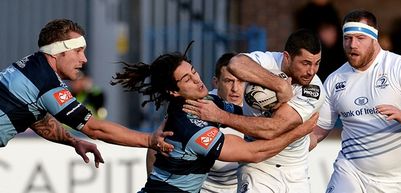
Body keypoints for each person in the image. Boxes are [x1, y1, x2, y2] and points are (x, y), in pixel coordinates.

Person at [111, 46, 318, 193]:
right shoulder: (189, 125)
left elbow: (242, 116)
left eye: (194, 72)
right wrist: (298, 130)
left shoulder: (207, 101)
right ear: (173, 91)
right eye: (187, 80)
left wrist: (284, 112)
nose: (197, 80)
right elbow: (254, 153)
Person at [0, 18, 174, 165]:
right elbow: (95, 129)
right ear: (57, 51)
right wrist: (150, 140)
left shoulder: (32, 64)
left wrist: (73, 141)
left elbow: (38, 120)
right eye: (78, 51)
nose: (84, 59)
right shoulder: (47, 83)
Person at [309, 9, 401, 193]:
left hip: (393, 182)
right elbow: (319, 130)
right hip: (350, 171)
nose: (352, 45)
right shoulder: (335, 80)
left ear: (374, 38)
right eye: (347, 38)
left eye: (360, 38)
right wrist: (286, 146)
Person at [184, 29, 324, 192]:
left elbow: (272, 129)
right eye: (305, 63)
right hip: (259, 169)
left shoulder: (314, 89)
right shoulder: (269, 60)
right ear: (286, 57)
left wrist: (220, 116)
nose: (312, 71)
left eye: (317, 63)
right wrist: (279, 85)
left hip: (296, 171)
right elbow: (235, 64)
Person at [201, 52, 246, 193]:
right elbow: (157, 146)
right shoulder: (201, 106)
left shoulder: (259, 106)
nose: (235, 88)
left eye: (241, 81)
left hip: (244, 186)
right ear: (216, 82)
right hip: (203, 188)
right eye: (228, 81)